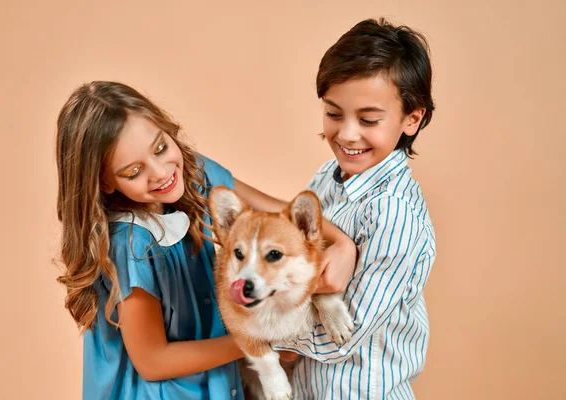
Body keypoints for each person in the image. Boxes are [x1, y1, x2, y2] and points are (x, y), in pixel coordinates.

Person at [54, 81, 356, 399]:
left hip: (216, 384)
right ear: (104, 182)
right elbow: (152, 362)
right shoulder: (130, 245)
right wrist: (260, 343)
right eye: (133, 172)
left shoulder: (191, 173)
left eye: (160, 148)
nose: (160, 172)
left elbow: (278, 213)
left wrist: (341, 244)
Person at [274, 18, 437, 399]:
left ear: (412, 118)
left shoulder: (393, 213)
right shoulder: (327, 178)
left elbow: (339, 340)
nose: (347, 134)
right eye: (333, 114)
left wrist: (251, 330)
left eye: (368, 120)